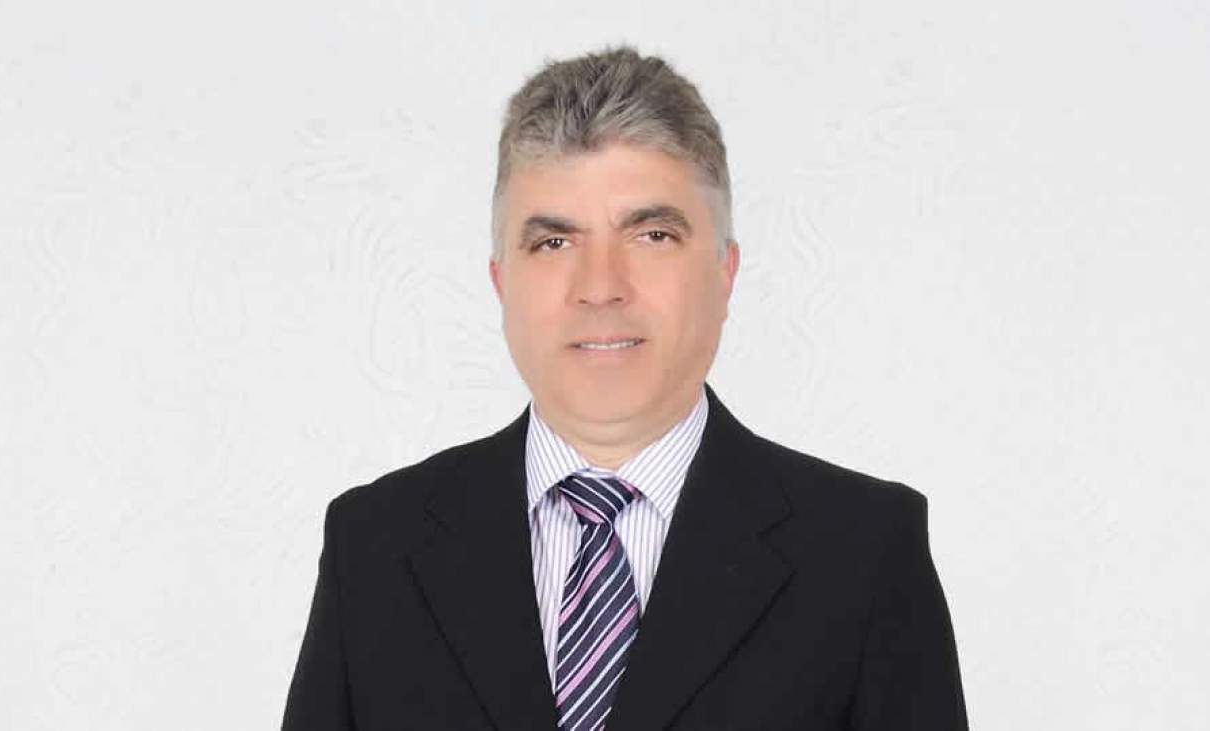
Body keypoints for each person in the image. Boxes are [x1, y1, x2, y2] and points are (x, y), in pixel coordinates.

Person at [281, 45, 968, 731]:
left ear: (724, 273)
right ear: (501, 282)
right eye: (554, 243)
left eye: (652, 235)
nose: (601, 287)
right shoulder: (374, 548)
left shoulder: (864, 554)